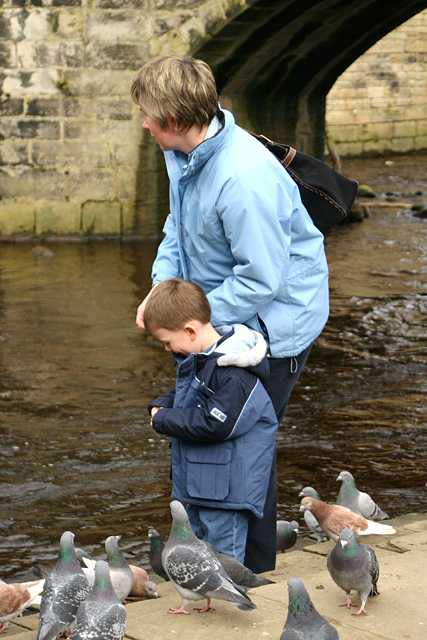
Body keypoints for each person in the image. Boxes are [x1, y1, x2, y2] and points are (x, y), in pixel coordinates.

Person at [131, 55, 329, 573]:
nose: (144, 124)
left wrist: (191, 320)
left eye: (149, 116)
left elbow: (263, 279)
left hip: (272, 327)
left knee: (244, 450)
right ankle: (239, 560)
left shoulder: (243, 179)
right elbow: (176, 227)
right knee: (232, 448)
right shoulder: (185, 152)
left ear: (174, 120)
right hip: (212, 319)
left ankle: (248, 568)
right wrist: (161, 294)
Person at [144, 278, 278, 563]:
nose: (167, 349)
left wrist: (164, 419)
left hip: (225, 493)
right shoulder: (204, 359)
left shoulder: (235, 371)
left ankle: (229, 603)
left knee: (223, 557)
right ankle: (209, 605)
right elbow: (190, 396)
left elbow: (216, 423)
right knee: (199, 552)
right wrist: (163, 404)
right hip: (204, 483)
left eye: (167, 342)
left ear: (190, 330)